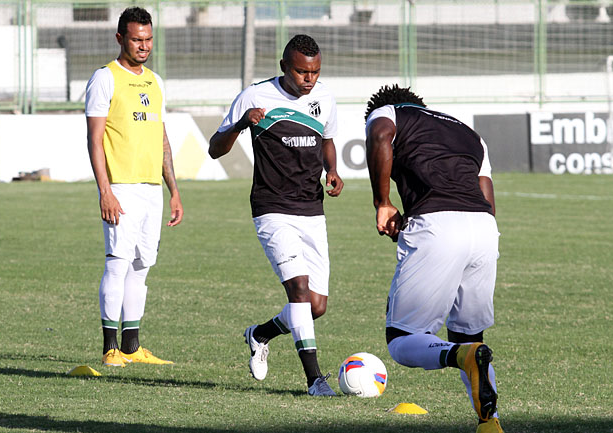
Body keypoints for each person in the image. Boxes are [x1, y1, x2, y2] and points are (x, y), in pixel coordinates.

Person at [208, 34, 344, 396]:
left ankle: (261, 333)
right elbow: (213, 150)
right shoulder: (254, 97)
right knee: (298, 290)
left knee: (315, 306)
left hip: (312, 209)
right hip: (271, 209)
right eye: (301, 72)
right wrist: (241, 125)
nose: (308, 79)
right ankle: (316, 380)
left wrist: (332, 169)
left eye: (314, 72)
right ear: (284, 66)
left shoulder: (325, 98)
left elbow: (327, 139)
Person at [364, 84, 503, 433]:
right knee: (471, 336)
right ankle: (491, 424)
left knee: (402, 339)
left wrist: (382, 202)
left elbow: (380, 133)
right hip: (485, 230)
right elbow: (487, 196)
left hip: (438, 225)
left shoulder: (387, 113)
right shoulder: (469, 134)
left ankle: (461, 358)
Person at [85, 6, 183, 367]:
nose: (144, 46)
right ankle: (110, 348)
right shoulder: (105, 78)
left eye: (148, 39)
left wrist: (173, 189)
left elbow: (161, 138)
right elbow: (95, 140)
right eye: (137, 39)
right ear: (120, 38)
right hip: (121, 188)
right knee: (117, 264)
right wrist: (105, 191)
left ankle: (131, 346)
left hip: (151, 190)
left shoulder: (156, 82)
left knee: (141, 267)